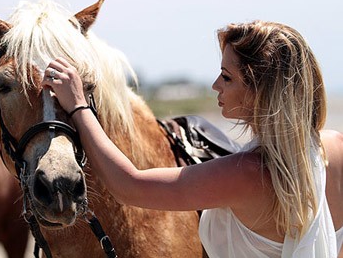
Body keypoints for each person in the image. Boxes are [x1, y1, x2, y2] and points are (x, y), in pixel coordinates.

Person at [42, 20, 343, 257]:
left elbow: (129, 185)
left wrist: (79, 106)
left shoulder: (245, 174)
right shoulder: (336, 148)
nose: (215, 85)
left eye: (227, 77)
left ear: (260, 91)